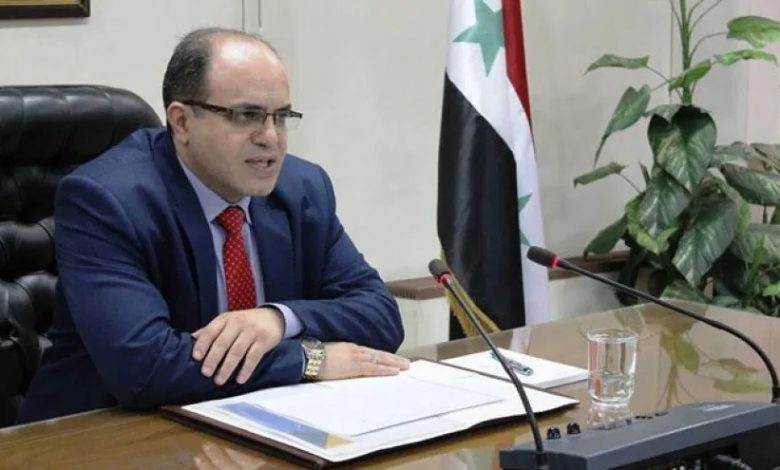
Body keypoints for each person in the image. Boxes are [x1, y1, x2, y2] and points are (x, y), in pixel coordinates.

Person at [16, 28, 407, 424]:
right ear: (182, 122)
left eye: (282, 117)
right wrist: (308, 358)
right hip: (93, 434)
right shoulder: (106, 201)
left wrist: (277, 319)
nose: (270, 138)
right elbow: (145, 367)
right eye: (247, 116)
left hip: (252, 422)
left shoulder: (302, 189)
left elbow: (380, 316)